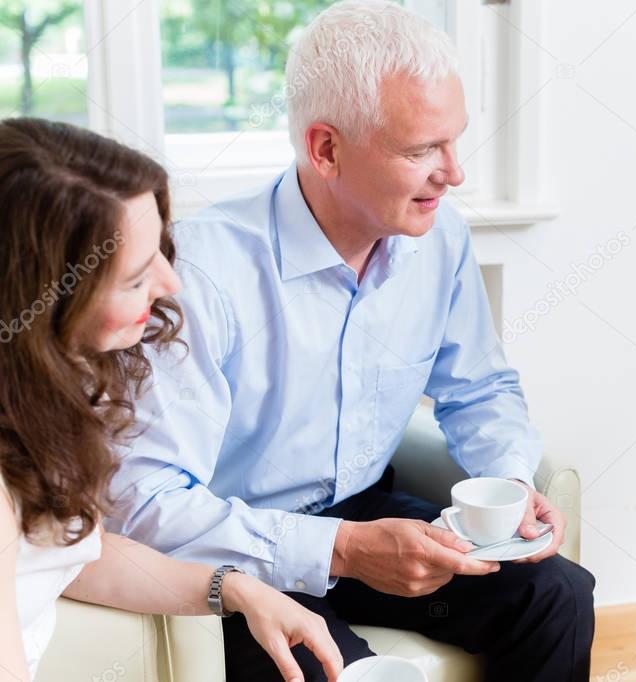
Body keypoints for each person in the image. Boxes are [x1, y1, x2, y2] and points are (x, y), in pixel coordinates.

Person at [105, 3, 595, 681]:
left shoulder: (438, 236)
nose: (452, 173)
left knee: (558, 595)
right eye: (422, 149)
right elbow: (147, 501)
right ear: (325, 149)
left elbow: (478, 387)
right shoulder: (199, 276)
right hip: (229, 545)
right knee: (348, 671)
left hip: (364, 510)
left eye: (454, 141)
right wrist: (341, 547)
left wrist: (507, 483)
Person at [0, 117, 343, 682]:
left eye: (162, 249)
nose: (171, 282)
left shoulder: (45, 394)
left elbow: (73, 551)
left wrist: (233, 588)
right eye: (135, 277)